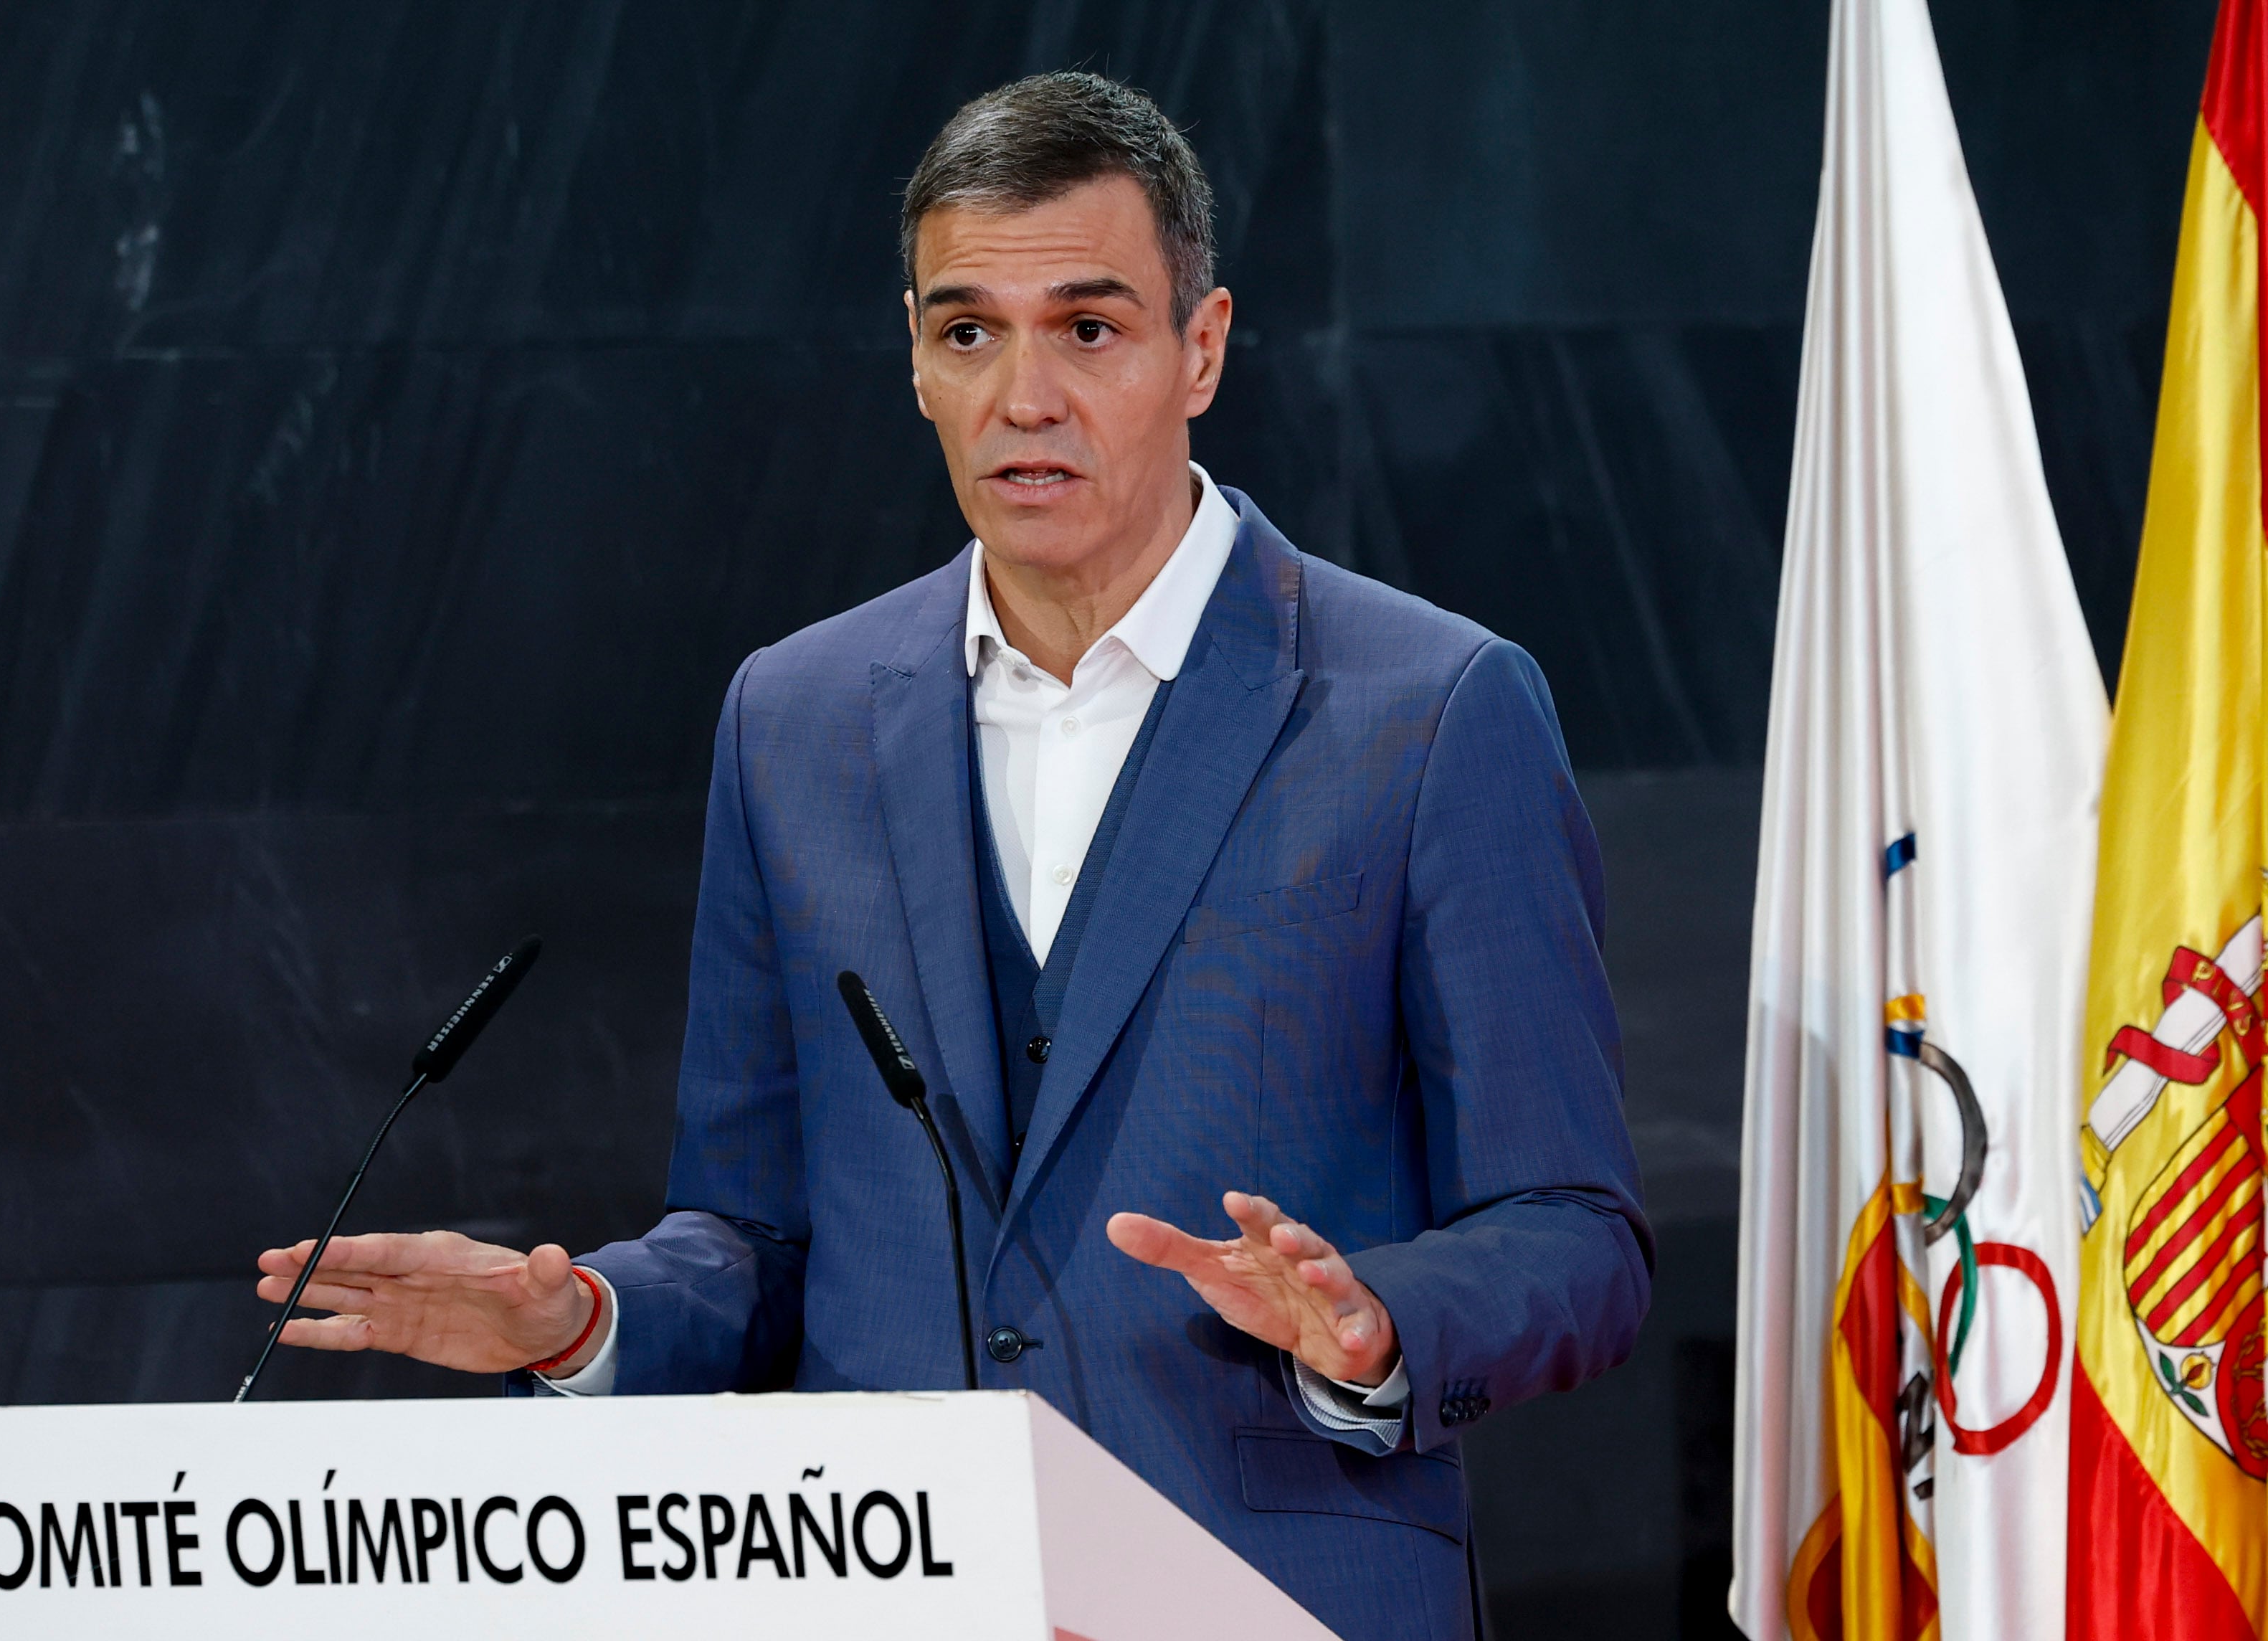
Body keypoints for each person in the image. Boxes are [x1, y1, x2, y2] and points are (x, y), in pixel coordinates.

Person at [257, 70, 1648, 1641]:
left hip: (1275, 1596)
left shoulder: (1433, 707)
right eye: (967, 330)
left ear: (1201, 349)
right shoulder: (794, 718)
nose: (1023, 394)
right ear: (915, 361)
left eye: (1089, 327)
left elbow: (1570, 1232)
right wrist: (582, 1316)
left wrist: (1373, 1323)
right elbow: (758, 1229)